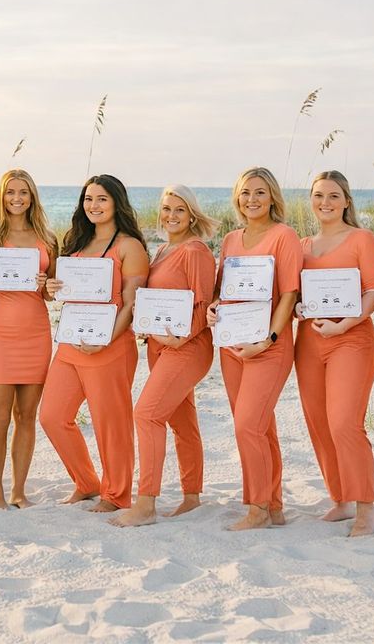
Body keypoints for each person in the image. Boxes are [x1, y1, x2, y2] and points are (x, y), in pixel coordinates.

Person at [111, 185, 217, 528]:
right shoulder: (160, 250)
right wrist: (145, 325)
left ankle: (146, 504)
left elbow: (203, 304)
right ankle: (192, 497)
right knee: (182, 421)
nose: (172, 216)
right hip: (158, 346)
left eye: (180, 210)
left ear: (192, 215)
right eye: (167, 209)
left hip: (187, 348)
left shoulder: (196, 251)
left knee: (146, 415)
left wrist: (180, 337)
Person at [41, 175, 149, 512]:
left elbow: (131, 304)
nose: (94, 205)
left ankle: (116, 495)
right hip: (71, 344)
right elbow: (60, 292)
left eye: (102, 199)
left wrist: (105, 340)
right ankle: (87, 482)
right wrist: (51, 288)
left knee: (111, 425)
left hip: (110, 347)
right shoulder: (76, 242)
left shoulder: (129, 246)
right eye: (88, 199)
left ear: (117, 202)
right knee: (52, 416)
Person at [293, 171, 374, 536]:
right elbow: (293, 294)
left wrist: (345, 323)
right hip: (309, 341)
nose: (325, 202)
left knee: (344, 423)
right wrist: (298, 307)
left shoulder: (362, 239)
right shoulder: (302, 245)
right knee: (318, 422)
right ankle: (341, 499)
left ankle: (365, 506)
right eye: (318, 195)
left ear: (347, 201)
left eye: (334, 196)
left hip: (351, 339)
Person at [207, 166, 302, 531]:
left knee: (247, 425)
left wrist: (268, 339)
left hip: (268, 347)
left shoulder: (284, 236)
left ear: (272, 197)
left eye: (260, 192)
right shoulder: (231, 239)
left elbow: (289, 294)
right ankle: (273, 505)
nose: (252, 199)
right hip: (232, 346)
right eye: (246, 192)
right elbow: (223, 291)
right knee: (260, 427)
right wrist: (215, 308)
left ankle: (257, 509)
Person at [0, 170, 57, 509]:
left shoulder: (47, 238)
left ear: (32, 197)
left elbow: (50, 293)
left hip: (36, 332)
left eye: (23, 192)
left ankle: (19, 490)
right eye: (11, 192)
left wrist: (47, 285)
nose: (17, 198)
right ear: (1, 197)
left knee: (26, 416)